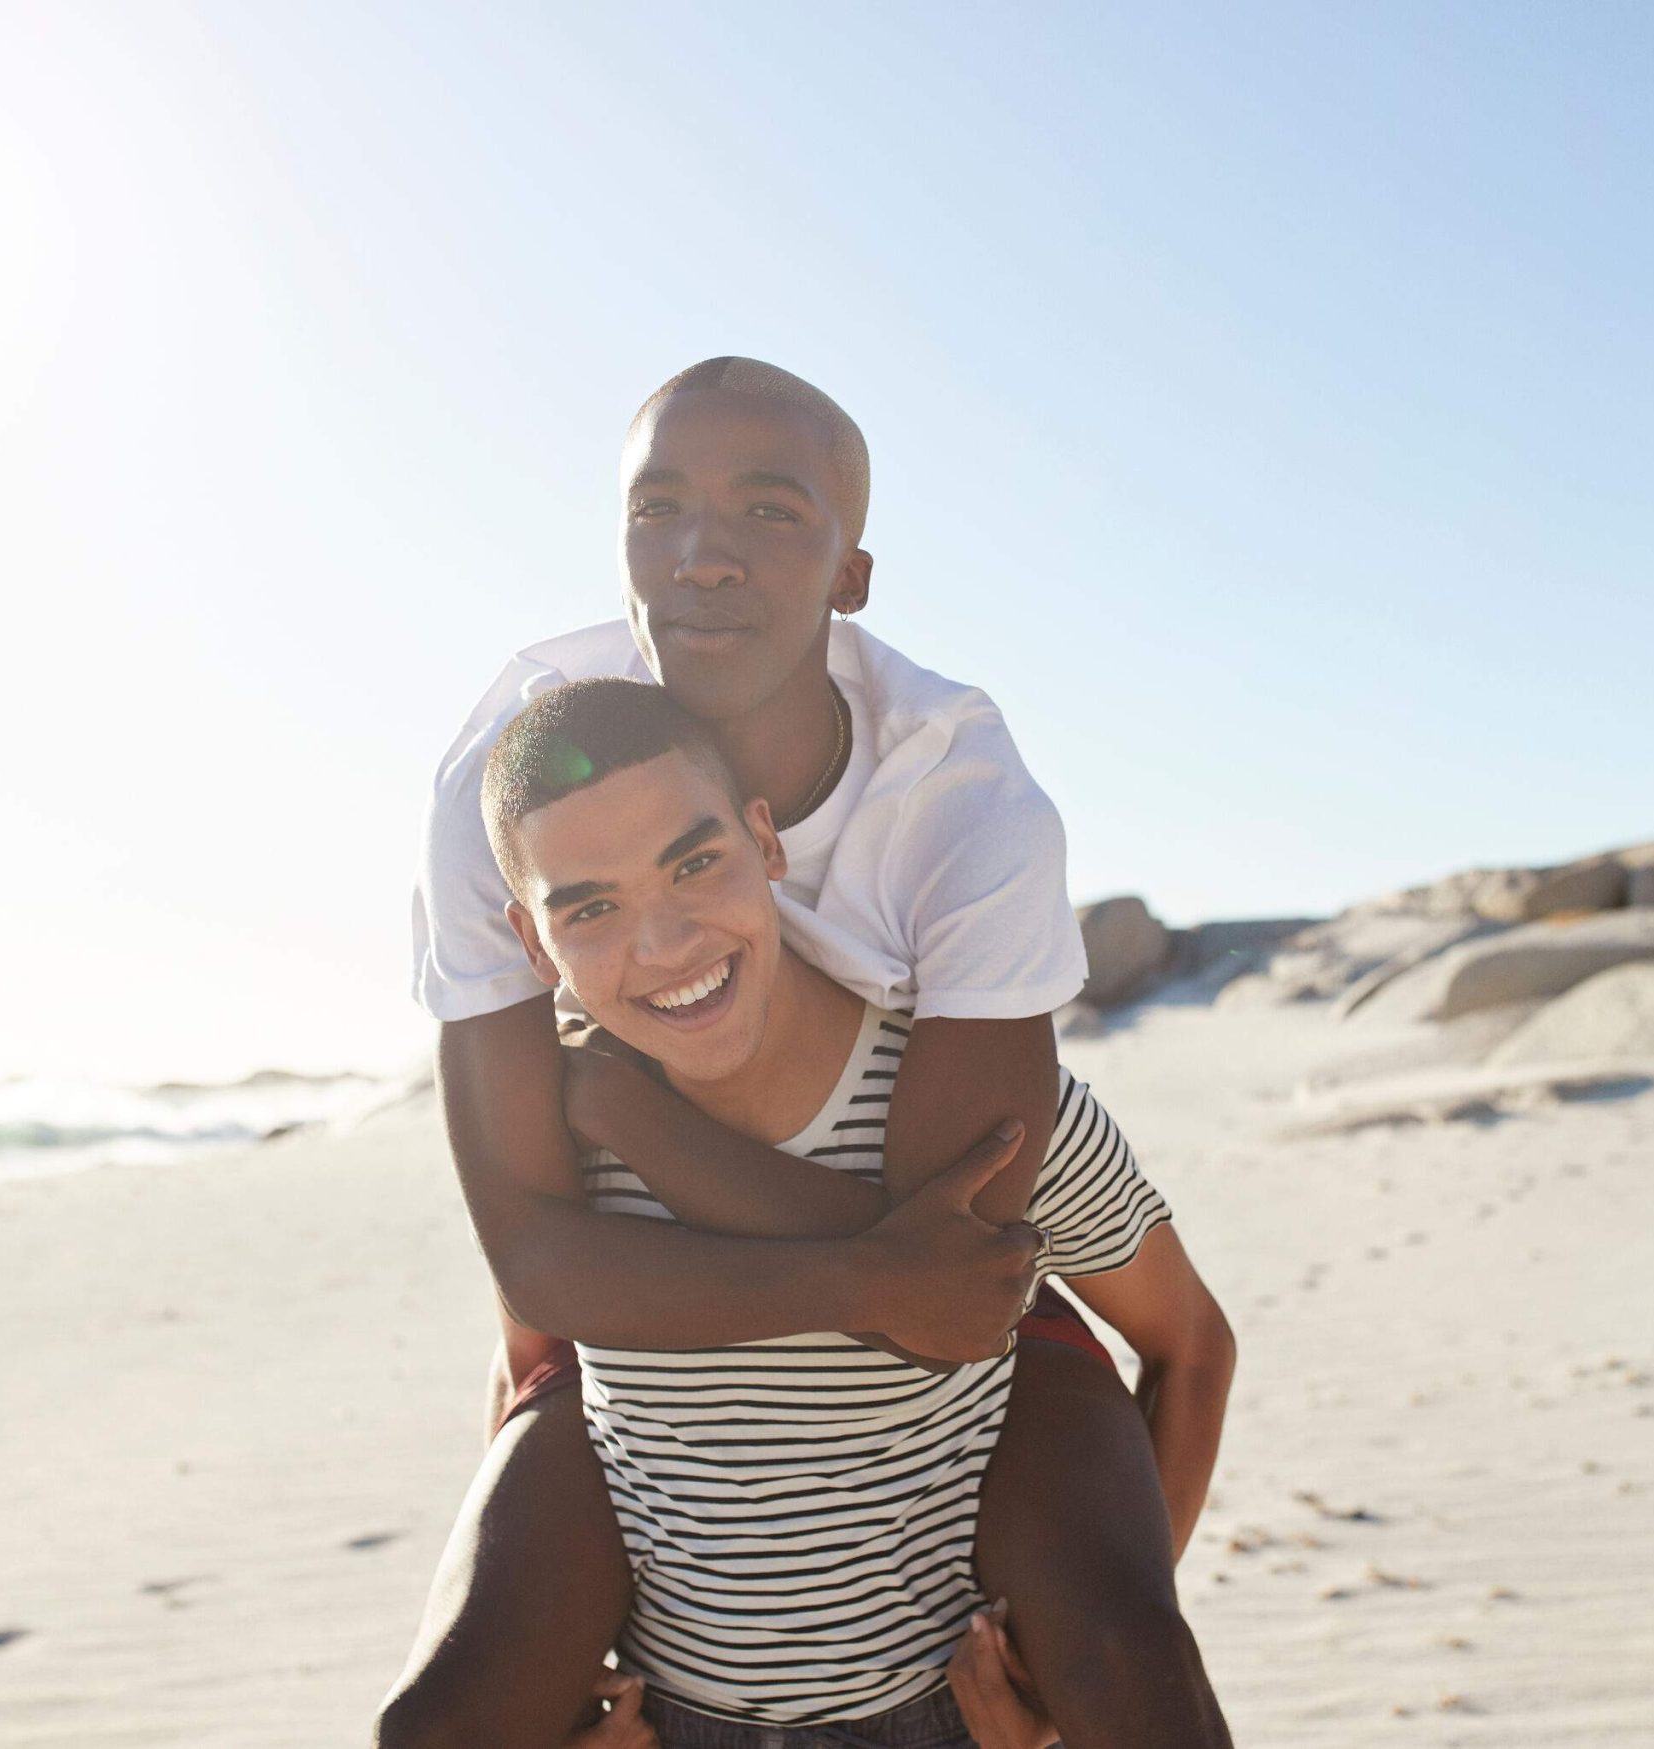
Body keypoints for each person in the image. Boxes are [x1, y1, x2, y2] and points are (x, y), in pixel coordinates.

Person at [383, 359, 1235, 1746]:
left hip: (969, 1353)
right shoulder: (522, 774)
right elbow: (536, 1269)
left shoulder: (961, 803)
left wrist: (639, 1122)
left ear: (853, 572)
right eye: (659, 507)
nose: (703, 555)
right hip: (651, 1344)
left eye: (771, 512)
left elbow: (949, 1288)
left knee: (1132, 1675)